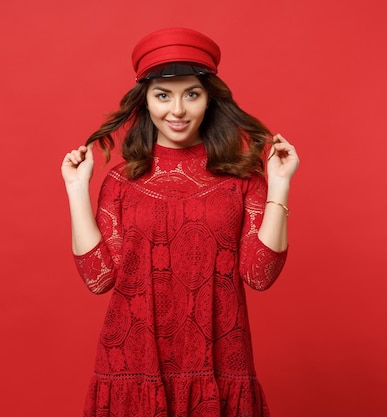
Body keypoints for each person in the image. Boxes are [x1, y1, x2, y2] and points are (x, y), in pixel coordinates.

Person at [61, 27, 299, 417]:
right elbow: (98, 279)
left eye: (191, 94)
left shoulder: (243, 179)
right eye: (162, 95)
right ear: (146, 102)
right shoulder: (122, 182)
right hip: (132, 368)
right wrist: (75, 189)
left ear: (209, 100)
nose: (177, 110)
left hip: (219, 366)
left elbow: (259, 274)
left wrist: (281, 183)